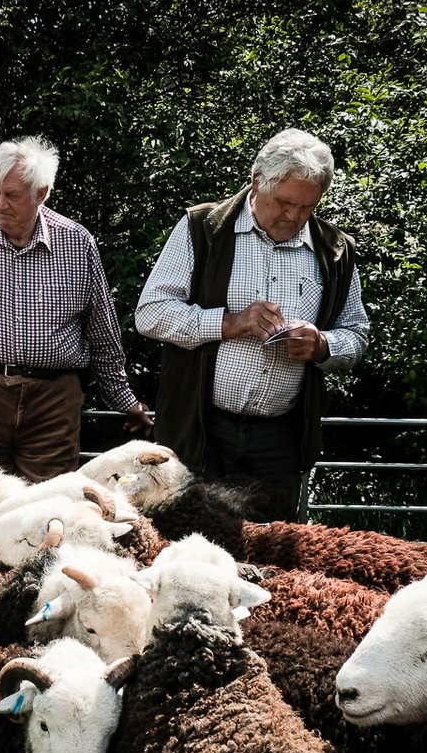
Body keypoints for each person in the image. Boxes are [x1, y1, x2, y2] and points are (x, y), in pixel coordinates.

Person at [135, 128, 371, 521]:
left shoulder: (334, 250)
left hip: (281, 438)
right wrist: (230, 323)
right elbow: (151, 312)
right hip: (202, 429)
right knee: (188, 545)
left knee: (274, 555)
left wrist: (322, 345)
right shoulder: (203, 228)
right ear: (256, 182)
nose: (294, 216)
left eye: (307, 207)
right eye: (284, 203)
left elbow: (357, 332)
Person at [0, 135, 153, 481]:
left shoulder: (77, 243)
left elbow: (102, 330)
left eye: (12, 195)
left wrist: (122, 397)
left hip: (52, 400)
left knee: (46, 506)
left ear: (41, 194)